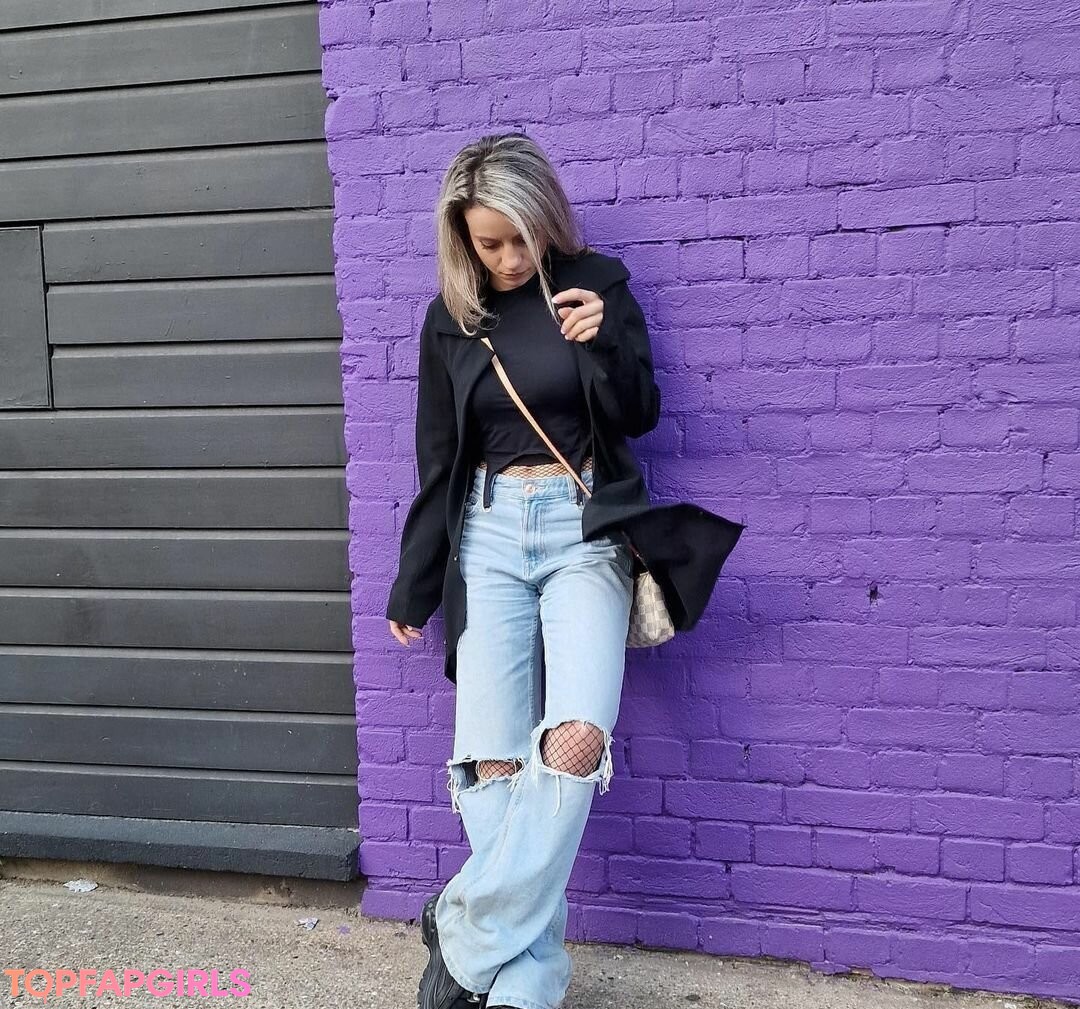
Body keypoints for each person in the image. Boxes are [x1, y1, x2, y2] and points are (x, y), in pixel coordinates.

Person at [385, 133, 662, 1009]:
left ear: (548, 218)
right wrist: (416, 578)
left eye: (521, 237)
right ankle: (527, 984)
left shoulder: (598, 284)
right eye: (489, 242)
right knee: (493, 762)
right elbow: (439, 456)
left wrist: (604, 343)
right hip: (488, 532)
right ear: (463, 239)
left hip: (584, 528)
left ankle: (464, 927)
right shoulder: (452, 317)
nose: (508, 258)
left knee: (577, 737)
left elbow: (641, 415)